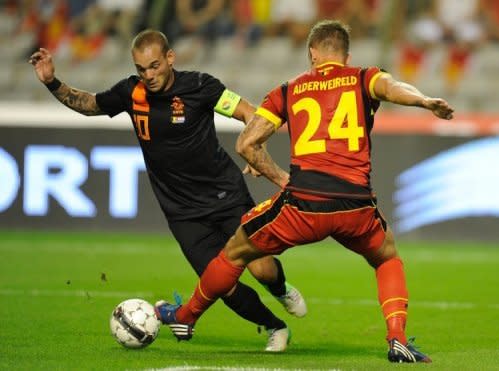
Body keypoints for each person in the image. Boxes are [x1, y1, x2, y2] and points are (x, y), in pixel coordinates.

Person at [155, 20, 454, 362]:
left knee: (235, 251)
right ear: (346, 55)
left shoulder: (288, 90)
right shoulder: (362, 77)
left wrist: (281, 178)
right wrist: (426, 101)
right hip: (355, 207)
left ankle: (185, 318)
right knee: (387, 258)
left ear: (312, 53)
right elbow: (393, 86)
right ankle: (397, 337)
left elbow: (247, 144)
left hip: (303, 206)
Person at [28, 29, 307, 352]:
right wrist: (52, 81)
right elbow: (90, 105)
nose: (148, 75)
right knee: (221, 284)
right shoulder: (131, 93)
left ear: (170, 58)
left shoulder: (200, 86)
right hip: (182, 212)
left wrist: (255, 150)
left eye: (155, 66)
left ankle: (281, 288)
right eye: (141, 69)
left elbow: (247, 112)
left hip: (225, 195)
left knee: (261, 267)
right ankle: (275, 327)